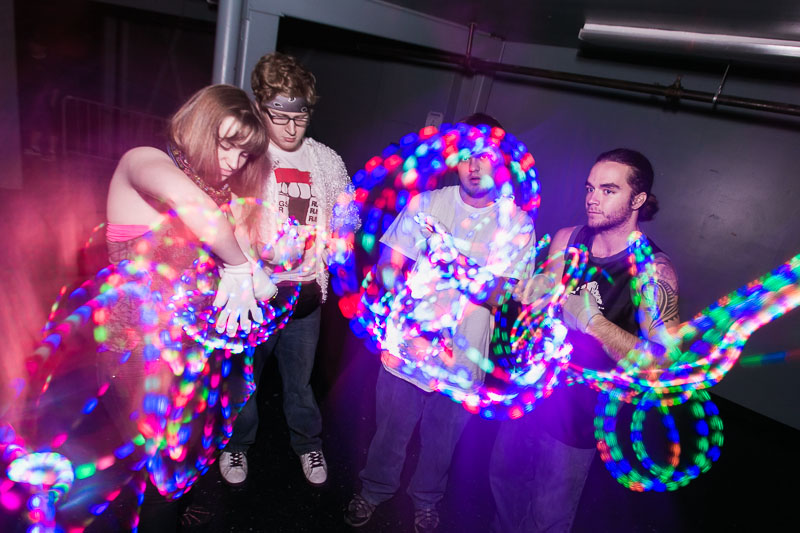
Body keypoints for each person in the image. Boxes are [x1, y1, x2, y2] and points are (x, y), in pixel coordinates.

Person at [344, 115, 536, 533]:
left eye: (484, 156)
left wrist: (453, 260)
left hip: (464, 356)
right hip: (409, 347)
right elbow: (390, 263)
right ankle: (374, 490)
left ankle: (426, 500)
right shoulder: (427, 204)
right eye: (466, 156)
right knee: (390, 431)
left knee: (441, 441)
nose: (474, 166)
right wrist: (391, 313)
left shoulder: (518, 224)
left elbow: (504, 295)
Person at [100, 84, 271, 531]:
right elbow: (193, 206)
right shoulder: (143, 160)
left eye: (244, 154)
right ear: (198, 126)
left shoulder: (220, 196)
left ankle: (164, 509)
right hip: (136, 353)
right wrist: (239, 264)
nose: (234, 162)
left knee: (175, 459)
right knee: (157, 469)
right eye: (226, 144)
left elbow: (238, 252)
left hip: (186, 352)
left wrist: (257, 269)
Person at [490, 148, 680, 533]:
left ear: (637, 200)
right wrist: (535, 292)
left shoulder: (654, 272)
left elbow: (663, 361)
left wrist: (594, 323)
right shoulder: (568, 238)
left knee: (550, 509)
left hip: (581, 411)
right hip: (533, 388)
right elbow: (544, 300)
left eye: (608, 190)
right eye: (591, 188)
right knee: (504, 476)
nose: (593, 198)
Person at [220, 52, 359, 487]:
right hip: (257, 295)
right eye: (280, 116)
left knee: (300, 384)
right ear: (261, 107)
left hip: (306, 295)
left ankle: (308, 444)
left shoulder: (326, 160)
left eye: (301, 116)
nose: (292, 127)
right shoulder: (248, 156)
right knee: (244, 382)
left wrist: (342, 238)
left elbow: (347, 212)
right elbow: (223, 218)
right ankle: (237, 445)